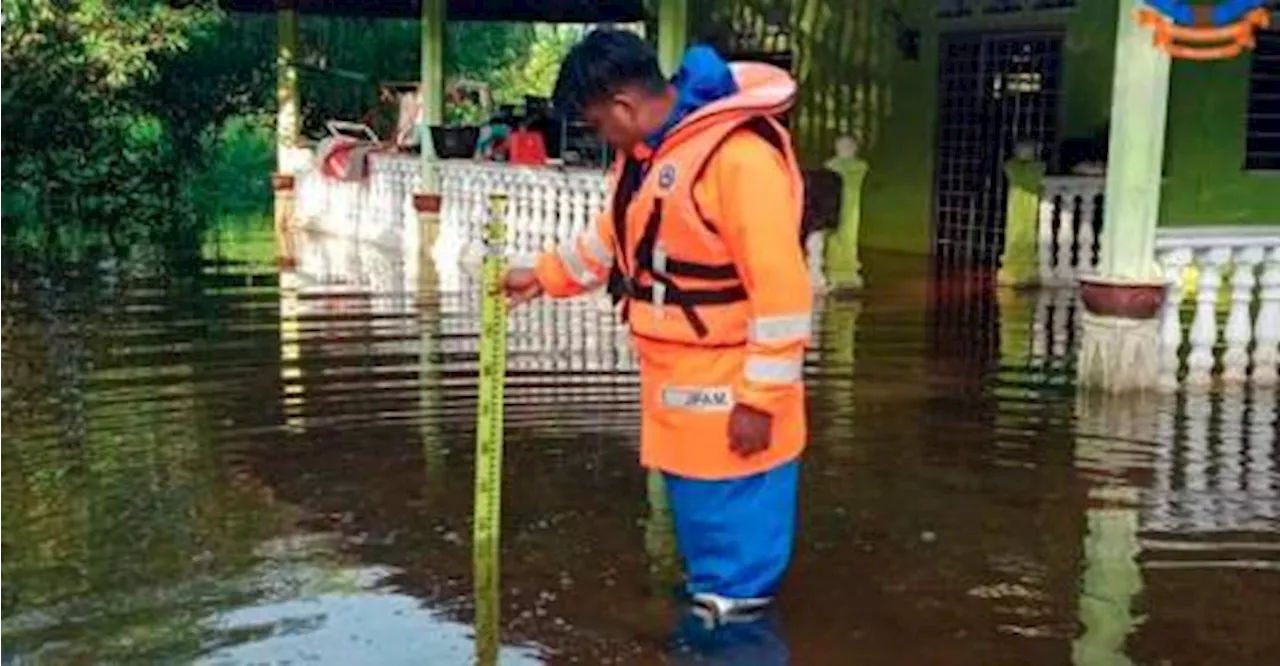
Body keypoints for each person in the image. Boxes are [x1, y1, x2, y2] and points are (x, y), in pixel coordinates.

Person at [502, 29, 812, 622]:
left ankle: (733, 640)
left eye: (596, 124)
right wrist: (543, 275)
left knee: (738, 573)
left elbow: (783, 291)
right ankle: (710, 615)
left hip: (733, 397)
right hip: (680, 393)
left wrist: (760, 401)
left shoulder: (739, 160)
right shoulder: (646, 159)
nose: (600, 137)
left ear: (623, 106)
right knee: (707, 546)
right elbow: (616, 240)